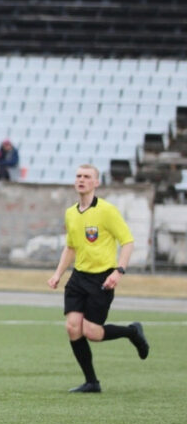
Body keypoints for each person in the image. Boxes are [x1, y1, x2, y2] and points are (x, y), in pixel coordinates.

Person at [46, 164, 149, 393]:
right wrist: (57, 274)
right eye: (78, 176)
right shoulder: (71, 213)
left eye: (87, 177)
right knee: (73, 328)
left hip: (102, 279)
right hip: (78, 278)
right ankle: (92, 382)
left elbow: (128, 241)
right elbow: (71, 247)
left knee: (92, 332)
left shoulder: (107, 211)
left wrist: (118, 271)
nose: (81, 180)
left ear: (96, 183)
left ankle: (132, 332)